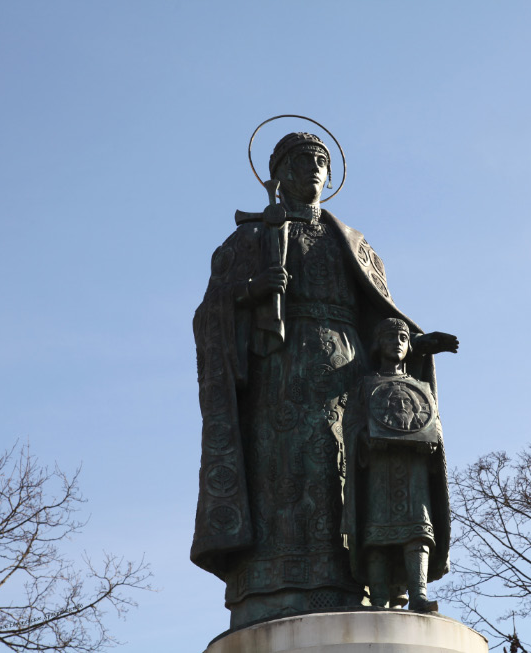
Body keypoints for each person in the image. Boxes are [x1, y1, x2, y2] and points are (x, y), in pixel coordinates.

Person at [191, 131, 457, 627]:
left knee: (349, 472)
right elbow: (209, 316)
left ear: (330, 177)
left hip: (350, 377)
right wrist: (250, 291)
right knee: (285, 473)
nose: (312, 168)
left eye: (320, 161)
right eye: (300, 160)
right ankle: (276, 587)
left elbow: (382, 321)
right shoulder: (248, 239)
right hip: (279, 376)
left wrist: (415, 348)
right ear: (277, 173)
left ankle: (366, 579)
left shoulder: (356, 247)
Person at [340, 318, 454, 612]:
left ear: (409, 346)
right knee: (377, 533)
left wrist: (433, 439)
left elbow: (434, 423)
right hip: (380, 468)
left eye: (403, 337)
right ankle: (378, 598)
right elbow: (351, 424)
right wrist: (365, 438)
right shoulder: (365, 386)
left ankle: (418, 594)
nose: (397, 342)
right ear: (378, 343)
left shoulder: (420, 387)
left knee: (418, 531)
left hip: (413, 468)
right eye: (390, 336)